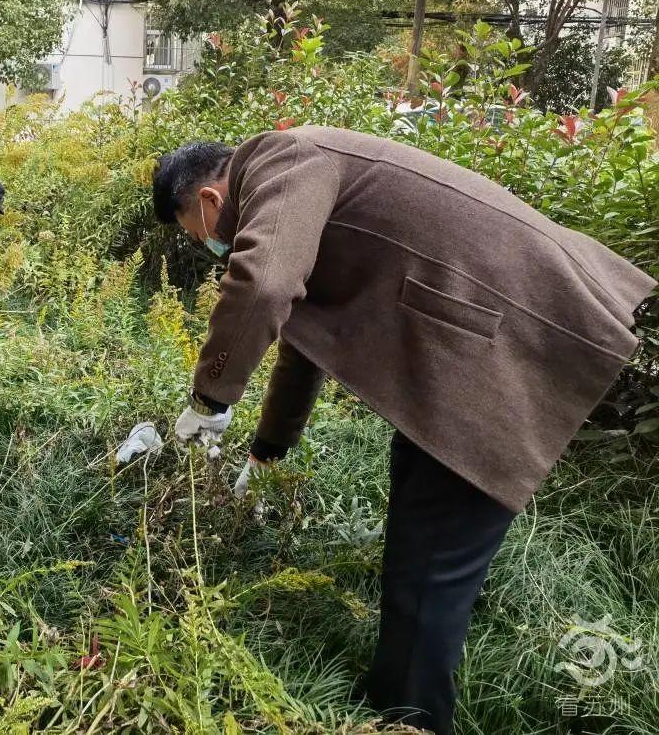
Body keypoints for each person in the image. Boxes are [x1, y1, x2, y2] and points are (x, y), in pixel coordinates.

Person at [152, 127, 655, 735]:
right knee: (426, 544)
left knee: (428, 566)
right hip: (474, 345)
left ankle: (407, 721)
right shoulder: (293, 186)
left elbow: (265, 286)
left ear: (208, 201)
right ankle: (401, 706)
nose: (214, 247)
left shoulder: (282, 160)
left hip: (506, 338)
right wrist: (267, 452)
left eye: (200, 236)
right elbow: (304, 337)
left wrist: (209, 397)